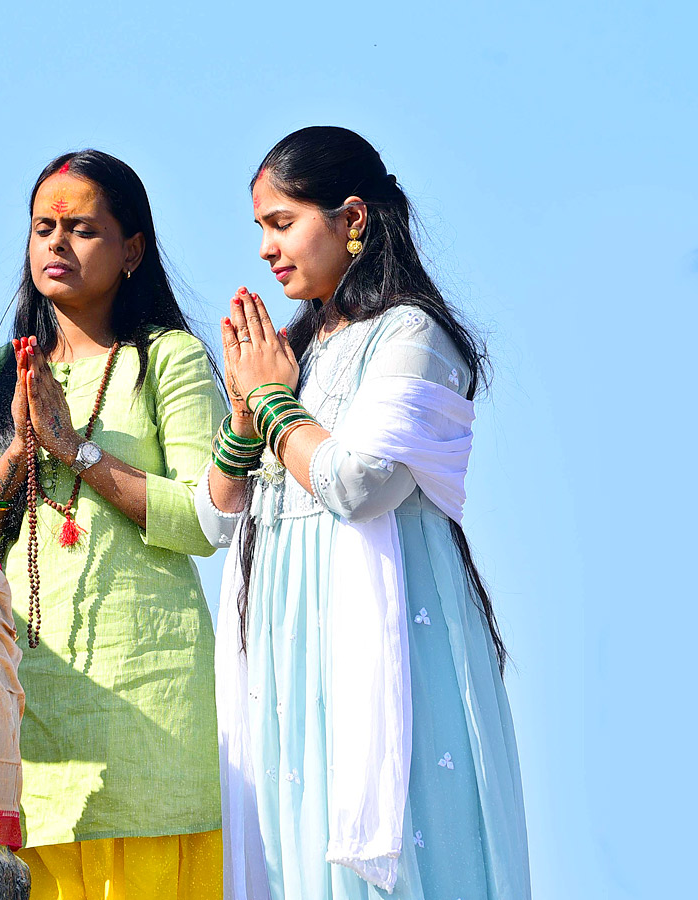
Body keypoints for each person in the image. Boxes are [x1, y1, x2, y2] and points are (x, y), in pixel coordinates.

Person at [199, 126, 531, 900]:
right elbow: (219, 522)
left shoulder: (412, 335)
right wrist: (248, 414)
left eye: (282, 223)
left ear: (352, 218)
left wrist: (274, 400)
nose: (264, 249)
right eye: (260, 230)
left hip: (382, 645)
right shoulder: (297, 351)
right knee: (295, 858)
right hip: (284, 650)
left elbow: (357, 482)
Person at [0, 150, 225, 899]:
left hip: (151, 711)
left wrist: (78, 452)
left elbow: (206, 520)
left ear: (132, 250)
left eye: (82, 229)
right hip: (25, 709)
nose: (57, 244)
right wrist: (17, 457)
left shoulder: (168, 360)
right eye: (44, 228)